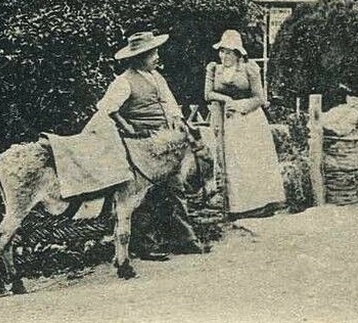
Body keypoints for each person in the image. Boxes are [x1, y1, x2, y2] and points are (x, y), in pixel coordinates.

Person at [94, 30, 203, 261]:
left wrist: (178, 123)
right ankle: (145, 244)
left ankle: (183, 239)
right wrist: (128, 126)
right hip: (142, 147)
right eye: (151, 53)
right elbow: (106, 109)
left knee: (174, 188)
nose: (156, 56)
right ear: (138, 57)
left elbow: (171, 106)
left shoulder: (157, 77)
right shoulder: (124, 81)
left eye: (155, 51)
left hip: (165, 145)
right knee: (145, 194)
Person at [203, 29, 286, 218]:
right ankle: (236, 207)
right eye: (222, 51)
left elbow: (260, 98)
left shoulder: (250, 68)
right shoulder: (214, 69)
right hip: (226, 121)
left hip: (250, 120)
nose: (224, 56)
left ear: (238, 53)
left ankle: (259, 205)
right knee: (233, 162)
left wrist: (241, 106)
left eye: (229, 52)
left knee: (252, 161)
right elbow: (207, 94)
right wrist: (226, 99)